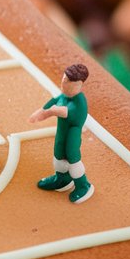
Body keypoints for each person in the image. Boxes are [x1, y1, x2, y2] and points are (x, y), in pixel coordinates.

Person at [29, 63, 93, 204]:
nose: (64, 85)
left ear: (79, 84)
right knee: (58, 150)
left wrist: (51, 111)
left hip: (73, 131)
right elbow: (55, 101)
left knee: (72, 155)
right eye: (64, 81)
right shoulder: (64, 95)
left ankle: (83, 185)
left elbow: (69, 112)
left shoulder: (80, 101)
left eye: (68, 82)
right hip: (62, 130)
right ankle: (62, 178)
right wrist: (41, 111)